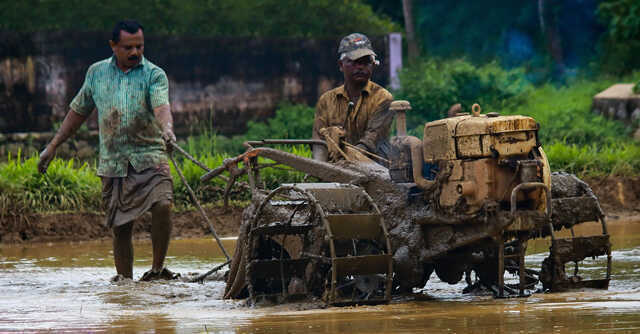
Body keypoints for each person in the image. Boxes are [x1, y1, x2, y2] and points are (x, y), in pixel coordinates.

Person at [37, 20, 178, 282]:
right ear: (113, 46)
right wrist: (53, 146)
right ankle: (125, 282)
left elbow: (161, 106)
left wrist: (167, 128)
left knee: (163, 205)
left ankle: (158, 270)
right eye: (128, 47)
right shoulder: (96, 73)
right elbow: (78, 111)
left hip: (151, 155)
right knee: (121, 227)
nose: (135, 52)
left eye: (140, 46)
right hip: (113, 162)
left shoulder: (154, 74)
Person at [312, 33, 394, 164]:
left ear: (373, 64)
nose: (360, 67)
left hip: (376, 171)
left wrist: (346, 162)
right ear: (341, 65)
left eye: (366, 62)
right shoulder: (326, 101)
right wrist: (318, 168)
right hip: (334, 171)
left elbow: (370, 141)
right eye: (354, 62)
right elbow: (318, 144)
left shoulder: (383, 98)